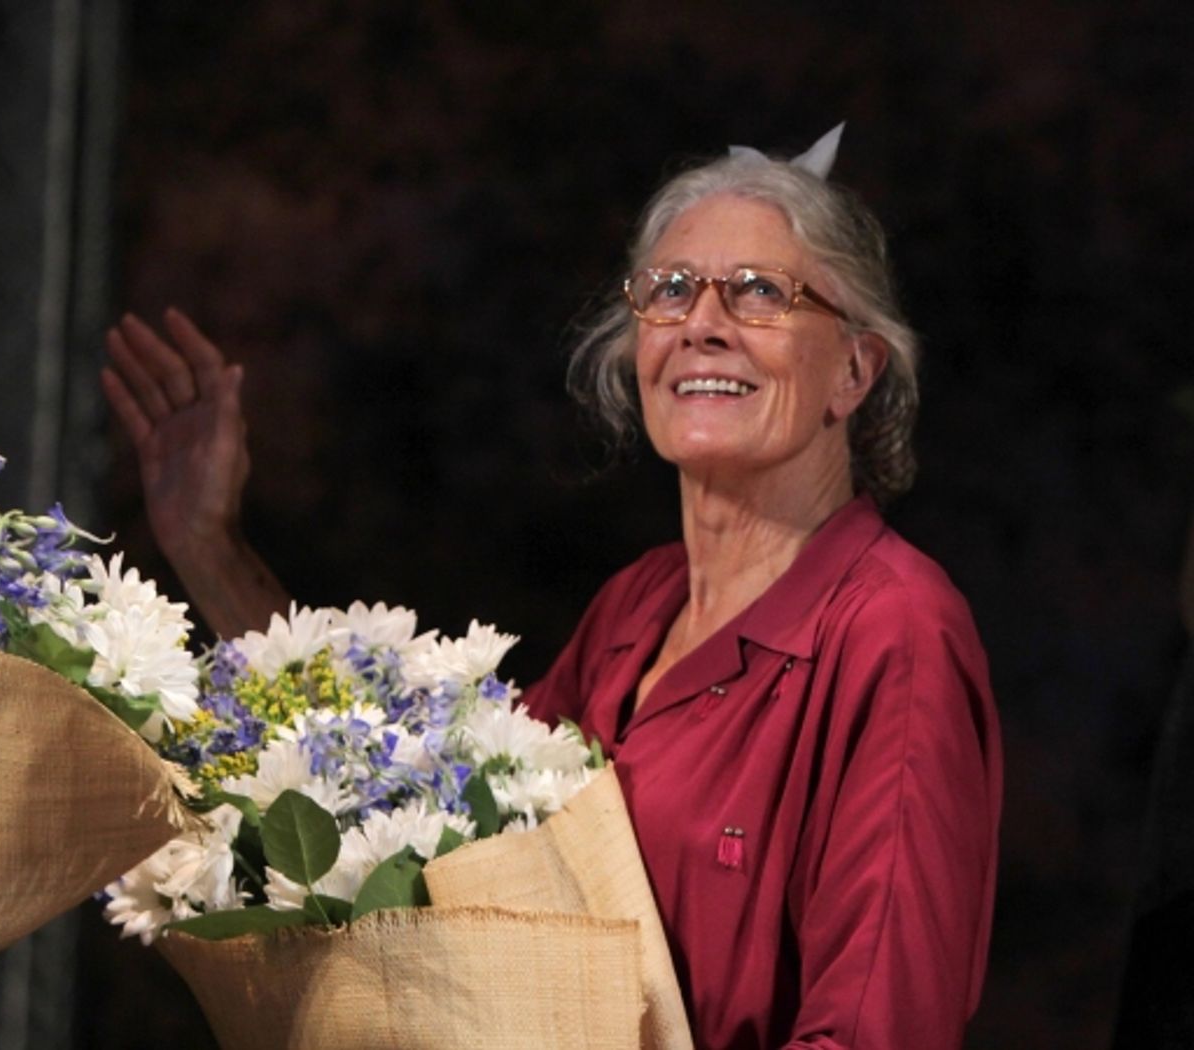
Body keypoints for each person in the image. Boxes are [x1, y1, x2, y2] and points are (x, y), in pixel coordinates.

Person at [102, 126, 1002, 1050]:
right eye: (671, 288)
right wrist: (208, 547)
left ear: (854, 370)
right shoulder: (638, 610)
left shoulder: (893, 629)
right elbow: (410, 816)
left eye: (762, 292)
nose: (702, 323)